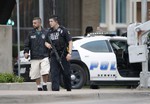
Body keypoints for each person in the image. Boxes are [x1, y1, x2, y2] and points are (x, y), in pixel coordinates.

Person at [45, 15, 73, 91]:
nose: (50, 23)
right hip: (54, 54)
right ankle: (55, 90)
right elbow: (45, 41)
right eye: (49, 21)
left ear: (56, 22)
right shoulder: (48, 32)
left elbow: (70, 42)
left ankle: (68, 89)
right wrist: (46, 44)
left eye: (51, 21)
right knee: (54, 73)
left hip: (63, 54)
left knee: (66, 73)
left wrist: (69, 53)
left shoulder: (63, 30)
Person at [24, 17, 50, 91]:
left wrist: (48, 44)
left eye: (35, 23)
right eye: (33, 23)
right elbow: (27, 44)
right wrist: (26, 52)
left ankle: (44, 84)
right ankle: (39, 86)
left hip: (44, 56)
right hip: (34, 57)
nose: (33, 24)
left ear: (39, 23)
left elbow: (51, 43)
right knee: (35, 73)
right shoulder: (30, 33)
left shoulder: (46, 32)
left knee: (45, 71)